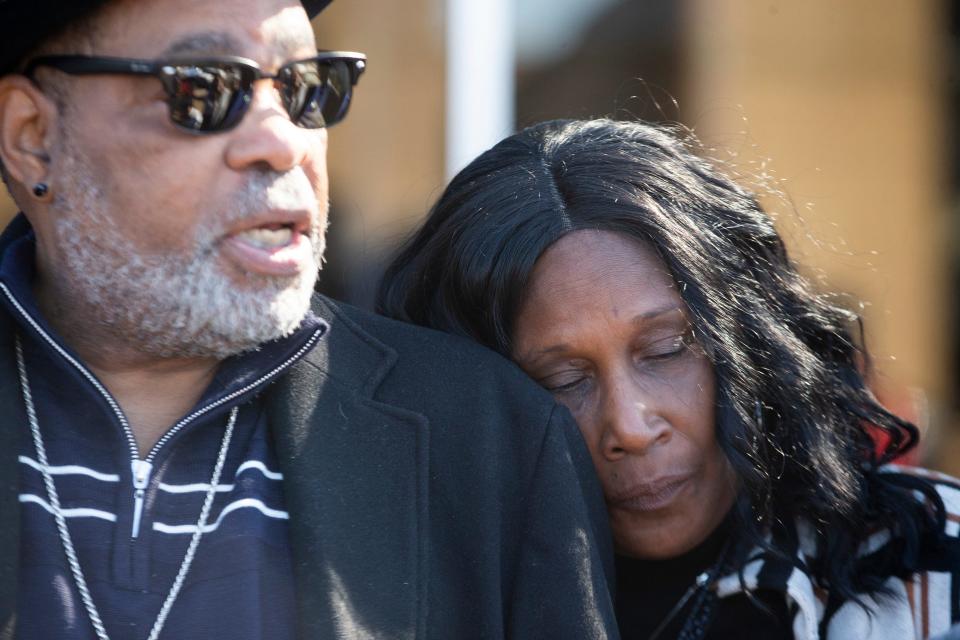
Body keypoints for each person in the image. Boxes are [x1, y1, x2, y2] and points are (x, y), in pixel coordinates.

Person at [0, 3, 619, 639]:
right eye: (205, 88)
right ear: (33, 136)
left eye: (302, 90)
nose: (284, 141)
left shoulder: (490, 441)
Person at [378, 118, 960, 639]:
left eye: (665, 350)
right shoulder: (406, 596)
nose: (630, 426)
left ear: (748, 336)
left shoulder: (927, 561)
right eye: (560, 379)